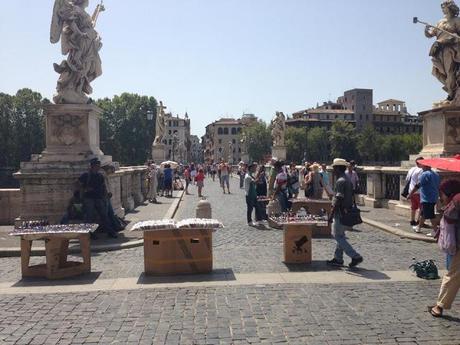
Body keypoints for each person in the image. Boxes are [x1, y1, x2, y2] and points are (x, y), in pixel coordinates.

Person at [428, 179, 460, 318]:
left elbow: (448, 217)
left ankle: (439, 306)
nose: (441, 196)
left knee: (452, 276)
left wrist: (443, 206)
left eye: (442, 193)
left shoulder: (457, 200)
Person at [327, 158, 363, 268]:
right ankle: (338, 259)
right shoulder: (347, 179)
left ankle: (355, 256)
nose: (333, 170)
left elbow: (338, 199)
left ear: (338, 168)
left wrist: (331, 214)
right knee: (341, 235)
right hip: (346, 210)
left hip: (340, 212)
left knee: (337, 236)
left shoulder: (340, 181)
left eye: (334, 168)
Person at [79, 158, 117, 239]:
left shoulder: (100, 175)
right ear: (92, 166)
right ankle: (89, 233)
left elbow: (103, 186)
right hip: (89, 198)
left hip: (99, 198)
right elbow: (78, 184)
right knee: (89, 216)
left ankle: (110, 231)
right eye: (97, 166)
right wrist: (85, 189)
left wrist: (107, 194)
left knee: (104, 215)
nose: (98, 167)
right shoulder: (86, 175)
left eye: (99, 166)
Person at [408, 162, 441, 236]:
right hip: (433, 196)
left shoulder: (425, 174)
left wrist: (410, 194)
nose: (421, 167)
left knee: (430, 214)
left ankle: (435, 231)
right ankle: (419, 227)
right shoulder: (436, 174)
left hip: (427, 197)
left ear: (425, 166)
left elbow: (418, 185)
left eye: (422, 166)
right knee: (424, 212)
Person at [405, 158, 423, 227]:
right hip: (418, 191)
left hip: (411, 191)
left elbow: (407, 179)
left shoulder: (412, 169)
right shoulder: (421, 170)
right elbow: (420, 182)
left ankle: (412, 220)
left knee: (413, 207)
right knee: (421, 207)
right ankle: (419, 221)